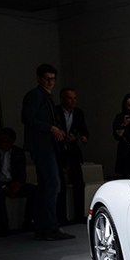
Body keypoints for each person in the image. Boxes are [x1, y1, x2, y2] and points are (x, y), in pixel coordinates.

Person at [21, 63, 74, 241]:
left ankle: (44, 227)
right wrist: (51, 128)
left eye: (52, 79)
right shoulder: (36, 95)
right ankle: (49, 227)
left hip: (46, 146)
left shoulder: (44, 96)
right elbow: (27, 118)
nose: (50, 82)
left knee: (47, 186)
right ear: (39, 79)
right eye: (47, 79)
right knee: (52, 185)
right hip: (41, 146)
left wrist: (55, 129)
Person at [0, 128, 36, 236]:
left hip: (11, 183)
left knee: (34, 190)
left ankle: (28, 222)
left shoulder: (18, 153)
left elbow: (22, 174)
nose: (0, 143)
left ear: (11, 142)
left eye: (4, 141)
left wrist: (17, 185)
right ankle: (4, 227)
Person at [55, 87, 89, 223]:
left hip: (73, 151)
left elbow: (84, 130)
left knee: (79, 183)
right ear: (62, 99)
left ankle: (79, 215)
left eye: (75, 98)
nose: (73, 101)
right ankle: (61, 217)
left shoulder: (78, 112)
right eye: (69, 98)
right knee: (60, 185)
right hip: (59, 151)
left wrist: (82, 137)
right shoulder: (56, 111)